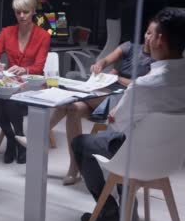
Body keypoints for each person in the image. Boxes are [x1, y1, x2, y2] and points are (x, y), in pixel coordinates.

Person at [72, 8, 185, 221]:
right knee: (125, 139)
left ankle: (110, 213)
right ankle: (127, 212)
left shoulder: (145, 85)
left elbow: (117, 124)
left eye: (151, 34)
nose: (147, 38)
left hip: (136, 159)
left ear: (160, 39)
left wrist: (116, 115)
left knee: (81, 144)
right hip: (169, 160)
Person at [49, 21, 156, 185]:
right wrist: (99, 65)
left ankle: (41, 132)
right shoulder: (129, 47)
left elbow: (140, 86)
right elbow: (105, 61)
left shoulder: (157, 63)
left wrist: (117, 78)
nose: (148, 37)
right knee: (73, 108)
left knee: (73, 97)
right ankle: (74, 168)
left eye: (152, 34)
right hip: (104, 94)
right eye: (147, 32)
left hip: (123, 102)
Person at [0, 0, 51, 164]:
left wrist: (24, 69)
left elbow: (38, 68)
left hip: (33, 86)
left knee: (11, 101)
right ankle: (14, 138)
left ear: (33, 11)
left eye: (26, 12)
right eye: (18, 12)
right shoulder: (7, 32)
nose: (21, 16)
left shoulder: (43, 35)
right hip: (12, 84)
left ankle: (18, 140)